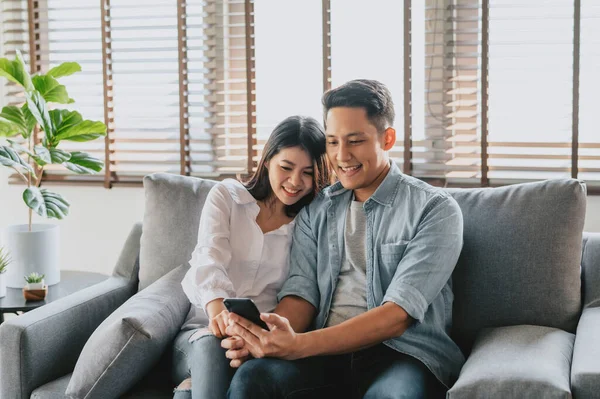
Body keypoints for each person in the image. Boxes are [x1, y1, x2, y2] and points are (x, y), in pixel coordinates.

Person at [223, 80, 466, 399]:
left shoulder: (434, 209)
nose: (341, 156)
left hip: (401, 357)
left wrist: (299, 345)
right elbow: (302, 293)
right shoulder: (316, 209)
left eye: (355, 141)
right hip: (322, 354)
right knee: (253, 378)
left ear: (387, 138)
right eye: (333, 142)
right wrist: (264, 336)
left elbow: (397, 315)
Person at [172, 115, 330, 399]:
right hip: (201, 331)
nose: (295, 182)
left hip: (261, 343)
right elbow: (209, 258)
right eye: (286, 167)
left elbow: (302, 294)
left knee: (192, 392)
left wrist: (254, 339)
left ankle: (188, 388)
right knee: (212, 346)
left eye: (308, 172)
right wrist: (219, 315)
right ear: (267, 160)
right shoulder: (227, 196)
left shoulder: (308, 225)